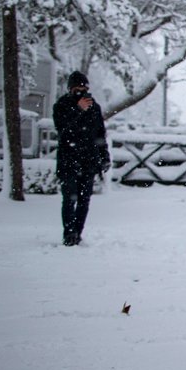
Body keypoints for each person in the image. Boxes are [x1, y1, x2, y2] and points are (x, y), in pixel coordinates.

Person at [52, 71, 109, 246]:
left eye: (84, 88)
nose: (81, 92)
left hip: (89, 160)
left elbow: (100, 133)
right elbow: (63, 131)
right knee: (69, 198)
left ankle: (78, 232)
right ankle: (68, 234)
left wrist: (104, 155)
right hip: (69, 159)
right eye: (77, 89)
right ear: (70, 89)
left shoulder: (95, 107)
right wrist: (78, 110)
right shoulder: (61, 106)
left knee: (84, 200)